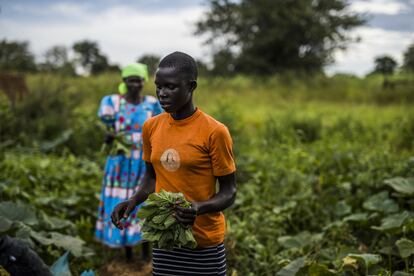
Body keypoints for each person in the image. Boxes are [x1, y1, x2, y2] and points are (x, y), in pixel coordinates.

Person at [111, 52, 237, 275]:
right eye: (159, 86)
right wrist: (133, 200)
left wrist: (198, 208)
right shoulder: (151, 127)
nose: (162, 94)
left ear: (191, 86)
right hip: (165, 237)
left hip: (204, 240)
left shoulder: (214, 132)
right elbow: (152, 178)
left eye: (171, 87)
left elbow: (229, 192)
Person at [95, 63, 162, 261]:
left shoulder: (151, 104)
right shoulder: (112, 103)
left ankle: (145, 254)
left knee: (144, 199)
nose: (135, 84)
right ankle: (128, 255)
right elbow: (108, 130)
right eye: (131, 80)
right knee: (121, 202)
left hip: (144, 162)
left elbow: (160, 129)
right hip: (120, 164)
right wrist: (108, 137)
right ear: (124, 82)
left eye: (139, 80)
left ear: (143, 82)